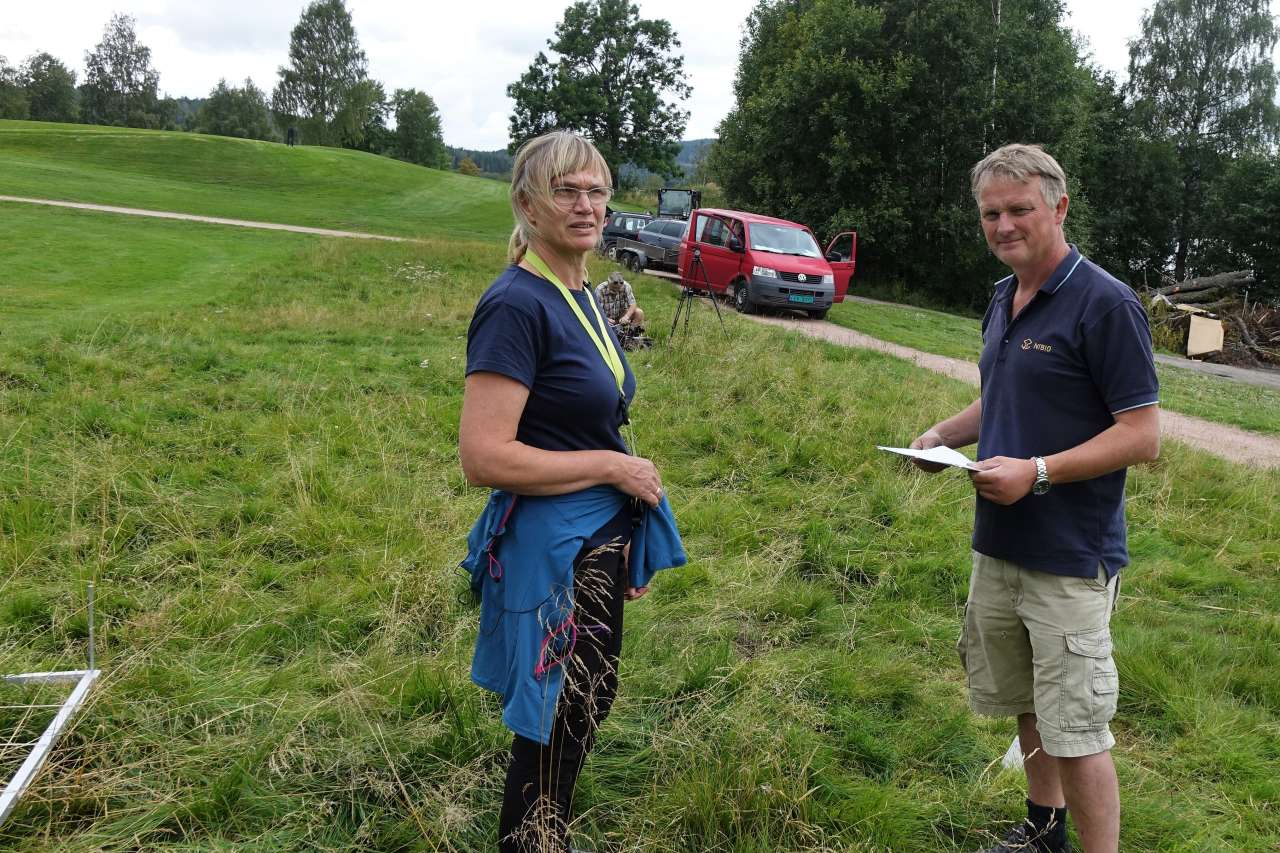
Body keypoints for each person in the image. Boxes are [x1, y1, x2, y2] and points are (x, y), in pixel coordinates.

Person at [909, 144, 1159, 853]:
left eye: (1020, 208)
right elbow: (1003, 396)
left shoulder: (1106, 304)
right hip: (1001, 543)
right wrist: (941, 434)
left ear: (1059, 207)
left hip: (1069, 554)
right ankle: (1042, 831)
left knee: (1077, 727)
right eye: (991, 212)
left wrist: (1040, 471)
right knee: (1027, 702)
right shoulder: (1004, 292)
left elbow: (1142, 434)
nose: (1004, 224)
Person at [458, 130, 686, 853]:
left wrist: (624, 529)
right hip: (554, 548)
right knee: (561, 709)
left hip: (593, 538)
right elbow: (483, 454)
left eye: (596, 190)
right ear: (527, 204)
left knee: (584, 702)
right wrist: (614, 470)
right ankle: (529, 841)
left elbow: (584, 414)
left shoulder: (582, 292)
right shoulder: (517, 304)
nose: (586, 204)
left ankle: (545, 833)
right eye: (567, 190)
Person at [594, 271, 650, 350]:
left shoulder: (626, 286)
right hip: (605, 318)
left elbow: (633, 304)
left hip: (620, 316)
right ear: (608, 283)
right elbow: (595, 308)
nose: (616, 291)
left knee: (639, 313)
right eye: (613, 288)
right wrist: (604, 318)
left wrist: (626, 317)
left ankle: (630, 340)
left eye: (618, 289)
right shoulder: (600, 289)